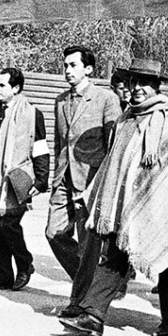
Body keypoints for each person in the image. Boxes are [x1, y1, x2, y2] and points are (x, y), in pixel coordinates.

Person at [58, 59, 168, 336]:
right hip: (125, 203)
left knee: (162, 256)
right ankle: (93, 316)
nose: (137, 88)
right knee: (116, 255)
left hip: (160, 203)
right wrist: (97, 196)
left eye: (144, 83)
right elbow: (114, 163)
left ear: (157, 86)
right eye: (133, 82)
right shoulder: (126, 118)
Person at [47, 45, 121, 306]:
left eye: (73, 65)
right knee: (53, 233)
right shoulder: (60, 101)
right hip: (63, 179)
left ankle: (79, 301)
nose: (67, 70)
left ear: (88, 69)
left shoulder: (106, 99)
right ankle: (91, 283)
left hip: (90, 181)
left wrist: (102, 186)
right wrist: (55, 178)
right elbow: (60, 143)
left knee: (87, 245)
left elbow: (113, 146)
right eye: (65, 65)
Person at [0, 68, 49, 290]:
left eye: (2, 85)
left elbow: (40, 148)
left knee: (8, 225)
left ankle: (25, 264)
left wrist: (41, 180)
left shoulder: (32, 114)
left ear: (16, 88)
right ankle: (4, 275)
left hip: (14, 182)